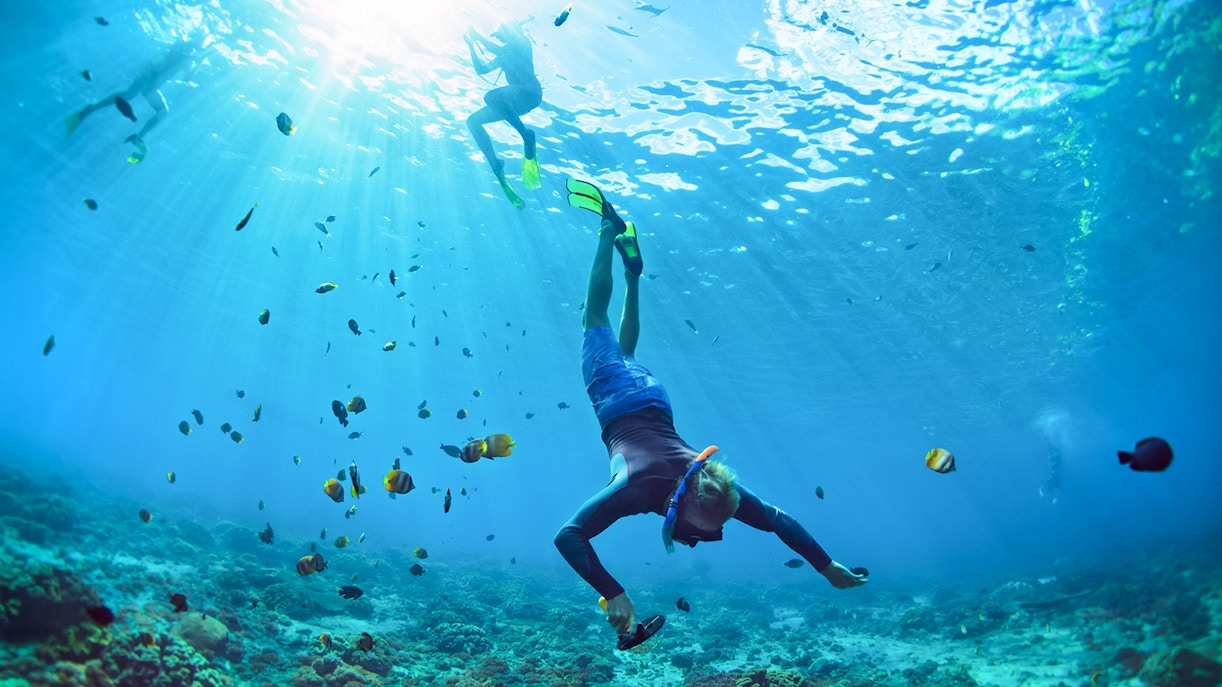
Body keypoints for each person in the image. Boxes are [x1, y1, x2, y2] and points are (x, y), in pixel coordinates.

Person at [554, 179, 868, 637]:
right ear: (679, 506)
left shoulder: (709, 490)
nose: (700, 542)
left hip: (654, 397)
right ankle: (607, 228)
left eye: (710, 535)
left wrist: (828, 567)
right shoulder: (639, 486)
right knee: (594, 321)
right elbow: (568, 535)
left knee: (626, 352)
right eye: (699, 533)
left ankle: (633, 275)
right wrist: (612, 589)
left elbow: (779, 521)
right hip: (620, 400)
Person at [65, 41, 196, 163]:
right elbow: (176, 68)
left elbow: (187, 77)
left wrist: (195, 63)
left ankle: (139, 137)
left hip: (152, 86)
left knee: (161, 111)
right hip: (149, 76)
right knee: (130, 95)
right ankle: (91, 109)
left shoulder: (188, 58)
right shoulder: (183, 52)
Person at [463, 22, 543, 209]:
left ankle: (526, 134)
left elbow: (495, 47)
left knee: (491, 96)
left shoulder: (522, 42)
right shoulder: (503, 53)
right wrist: (471, 46)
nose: (499, 37)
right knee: (473, 121)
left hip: (529, 92)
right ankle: (494, 162)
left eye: (501, 34)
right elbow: (482, 69)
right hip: (514, 102)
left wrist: (476, 36)